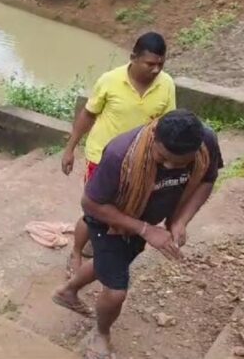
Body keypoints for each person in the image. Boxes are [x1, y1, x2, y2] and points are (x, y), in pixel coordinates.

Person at [53, 110, 223, 358]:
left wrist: (180, 221)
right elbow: (90, 204)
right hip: (109, 221)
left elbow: (207, 180)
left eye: (180, 164)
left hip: (144, 219)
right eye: (162, 158)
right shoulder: (120, 154)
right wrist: (145, 230)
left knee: (112, 262)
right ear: (154, 136)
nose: (169, 167)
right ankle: (101, 334)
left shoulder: (206, 142)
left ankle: (67, 292)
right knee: (116, 291)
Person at [61, 32, 176, 279]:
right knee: (94, 210)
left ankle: (101, 245)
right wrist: (70, 149)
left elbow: (167, 124)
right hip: (102, 159)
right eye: (150, 64)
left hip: (140, 162)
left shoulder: (166, 84)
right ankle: (77, 252)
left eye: (161, 64)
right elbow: (88, 114)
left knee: (124, 208)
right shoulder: (109, 81)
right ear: (133, 58)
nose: (156, 70)